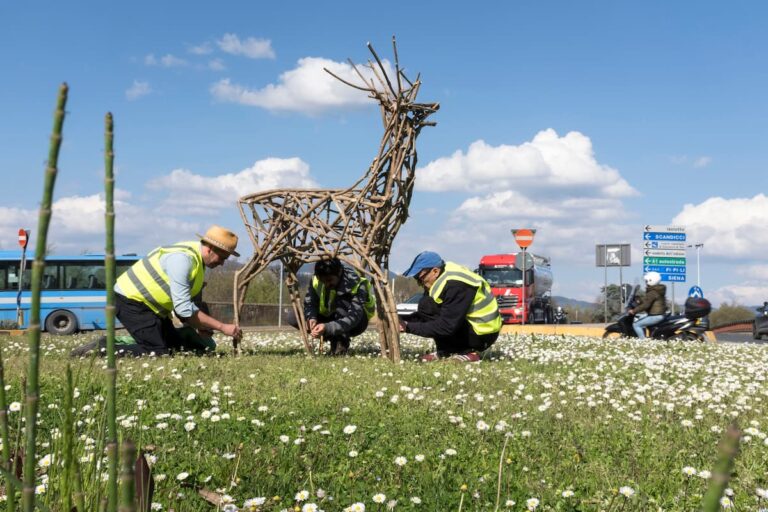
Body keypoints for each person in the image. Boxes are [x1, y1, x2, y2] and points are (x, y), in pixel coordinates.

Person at [72, 226, 243, 357]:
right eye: (222, 257)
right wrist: (222, 327)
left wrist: (199, 325)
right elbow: (183, 308)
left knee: (176, 346)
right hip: (131, 302)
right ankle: (101, 348)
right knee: (156, 351)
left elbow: (182, 305)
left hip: (152, 308)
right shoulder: (182, 260)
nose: (222, 263)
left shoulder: (198, 263)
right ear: (209, 249)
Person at [399, 251, 502, 362]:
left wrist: (407, 327)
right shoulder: (443, 276)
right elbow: (426, 315)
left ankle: (468, 352)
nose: (420, 283)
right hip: (472, 328)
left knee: (428, 306)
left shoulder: (456, 286)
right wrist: (402, 320)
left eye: (420, 278)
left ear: (435, 271)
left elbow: (446, 326)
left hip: (482, 334)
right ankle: (447, 351)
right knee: (426, 305)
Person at [289, 257, 376, 355]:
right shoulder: (315, 280)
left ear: (339, 272)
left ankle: (341, 344)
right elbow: (310, 303)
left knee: (343, 301)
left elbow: (353, 317)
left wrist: (327, 327)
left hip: (356, 322)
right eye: (323, 281)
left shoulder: (357, 284)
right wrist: (311, 317)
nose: (326, 284)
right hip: (329, 318)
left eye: (329, 280)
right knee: (293, 316)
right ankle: (330, 337)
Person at [628, 271, 667, 339]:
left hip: (656, 315)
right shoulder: (656, 290)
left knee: (636, 325)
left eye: (646, 281)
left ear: (651, 281)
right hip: (656, 314)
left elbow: (645, 305)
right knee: (639, 318)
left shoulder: (653, 292)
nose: (645, 282)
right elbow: (648, 301)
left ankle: (643, 342)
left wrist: (633, 311)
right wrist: (639, 300)